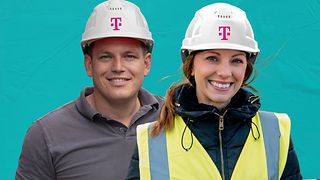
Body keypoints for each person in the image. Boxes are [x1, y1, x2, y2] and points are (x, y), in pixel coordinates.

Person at [126, 3, 302, 180]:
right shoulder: (152, 141)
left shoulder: (274, 132)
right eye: (212, 58)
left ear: (246, 68)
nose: (225, 73)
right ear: (191, 65)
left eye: (236, 61)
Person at [15, 0, 164, 179]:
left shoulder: (175, 119)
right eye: (105, 57)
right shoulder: (46, 134)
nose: (118, 67)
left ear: (146, 64)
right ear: (89, 65)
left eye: (129, 56)